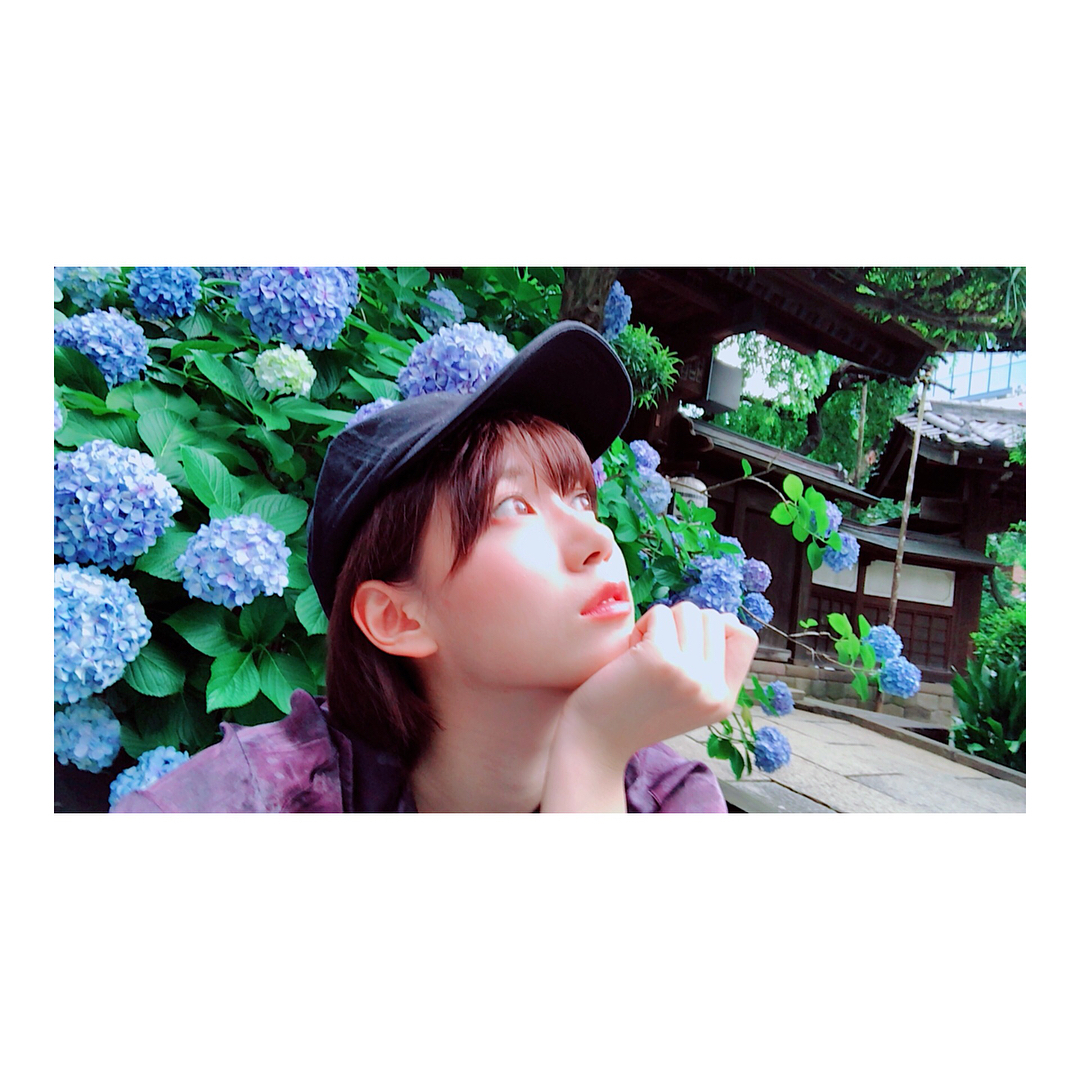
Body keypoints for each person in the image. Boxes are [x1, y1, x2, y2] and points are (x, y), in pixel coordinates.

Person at [111, 321, 758, 813]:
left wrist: (594, 750)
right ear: (397, 617)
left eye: (580, 499)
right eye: (513, 506)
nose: (596, 538)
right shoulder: (261, 795)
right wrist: (591, 750)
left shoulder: (669, 798)